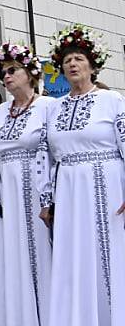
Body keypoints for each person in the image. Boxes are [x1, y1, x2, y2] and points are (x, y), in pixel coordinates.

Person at [44, 24, 125, 326]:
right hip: (68, 189)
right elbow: (47, 157)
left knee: (107, 251)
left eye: (79, 58)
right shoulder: (54, 108)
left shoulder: (112, 100)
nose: (73, 64)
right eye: (67, 60)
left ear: (92, 65)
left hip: (106, 185)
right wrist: (47, 198)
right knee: (74, 253)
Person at [0, 43, 54, 326]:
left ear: (30, 73)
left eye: (13, 70)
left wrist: (50, 198)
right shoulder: (1, 111)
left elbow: (53, 152)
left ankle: (46, 316)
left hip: (36, 189)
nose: (7, 76)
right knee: (11, 253)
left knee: (40, 251)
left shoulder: (48, 106)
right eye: (3, 72)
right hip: (7, 193)